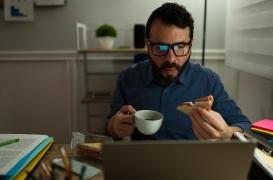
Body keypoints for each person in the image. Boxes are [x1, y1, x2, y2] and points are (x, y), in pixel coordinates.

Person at [106, 2, 250, 140]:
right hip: (141, 162)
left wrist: (228, 132)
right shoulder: (128, 78)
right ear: (148, 46)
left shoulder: (209, 81)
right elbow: (109, 128)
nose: (171, 59)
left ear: (191, 46)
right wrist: (114, 127)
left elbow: (245, 126)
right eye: (161, 48)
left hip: (193, 163)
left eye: (180, 47)